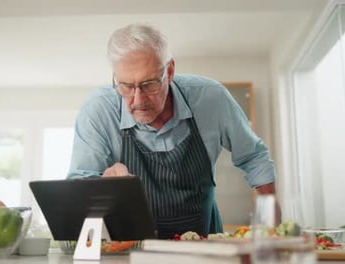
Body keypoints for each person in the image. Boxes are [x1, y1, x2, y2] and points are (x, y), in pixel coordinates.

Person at [67, 23, 277, 239]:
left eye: (149, 84)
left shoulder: (211, 98)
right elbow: (79, 184)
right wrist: (103, 184)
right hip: (132, 248)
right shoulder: (98, 109)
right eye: (126, 86)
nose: (138, 100)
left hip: (205, 244)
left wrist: (272, 230)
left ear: (170, 71)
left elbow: (254, 157)